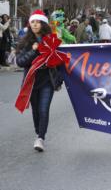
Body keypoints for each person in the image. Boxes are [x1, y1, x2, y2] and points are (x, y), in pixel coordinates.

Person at [16, 10, 63, 152]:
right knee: (36, 111)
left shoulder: (52, 40)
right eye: (33, 22)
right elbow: (20, 62)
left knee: (44, 110)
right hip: (31, 82)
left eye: (38, 22)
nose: (35, 25)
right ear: (29, 24)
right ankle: (38, 132)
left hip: (47, 81)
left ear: (43, 24)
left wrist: (58, 80)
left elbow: (61, 62)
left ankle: (41, 138)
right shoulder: (25, 42)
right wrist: (34, 51)